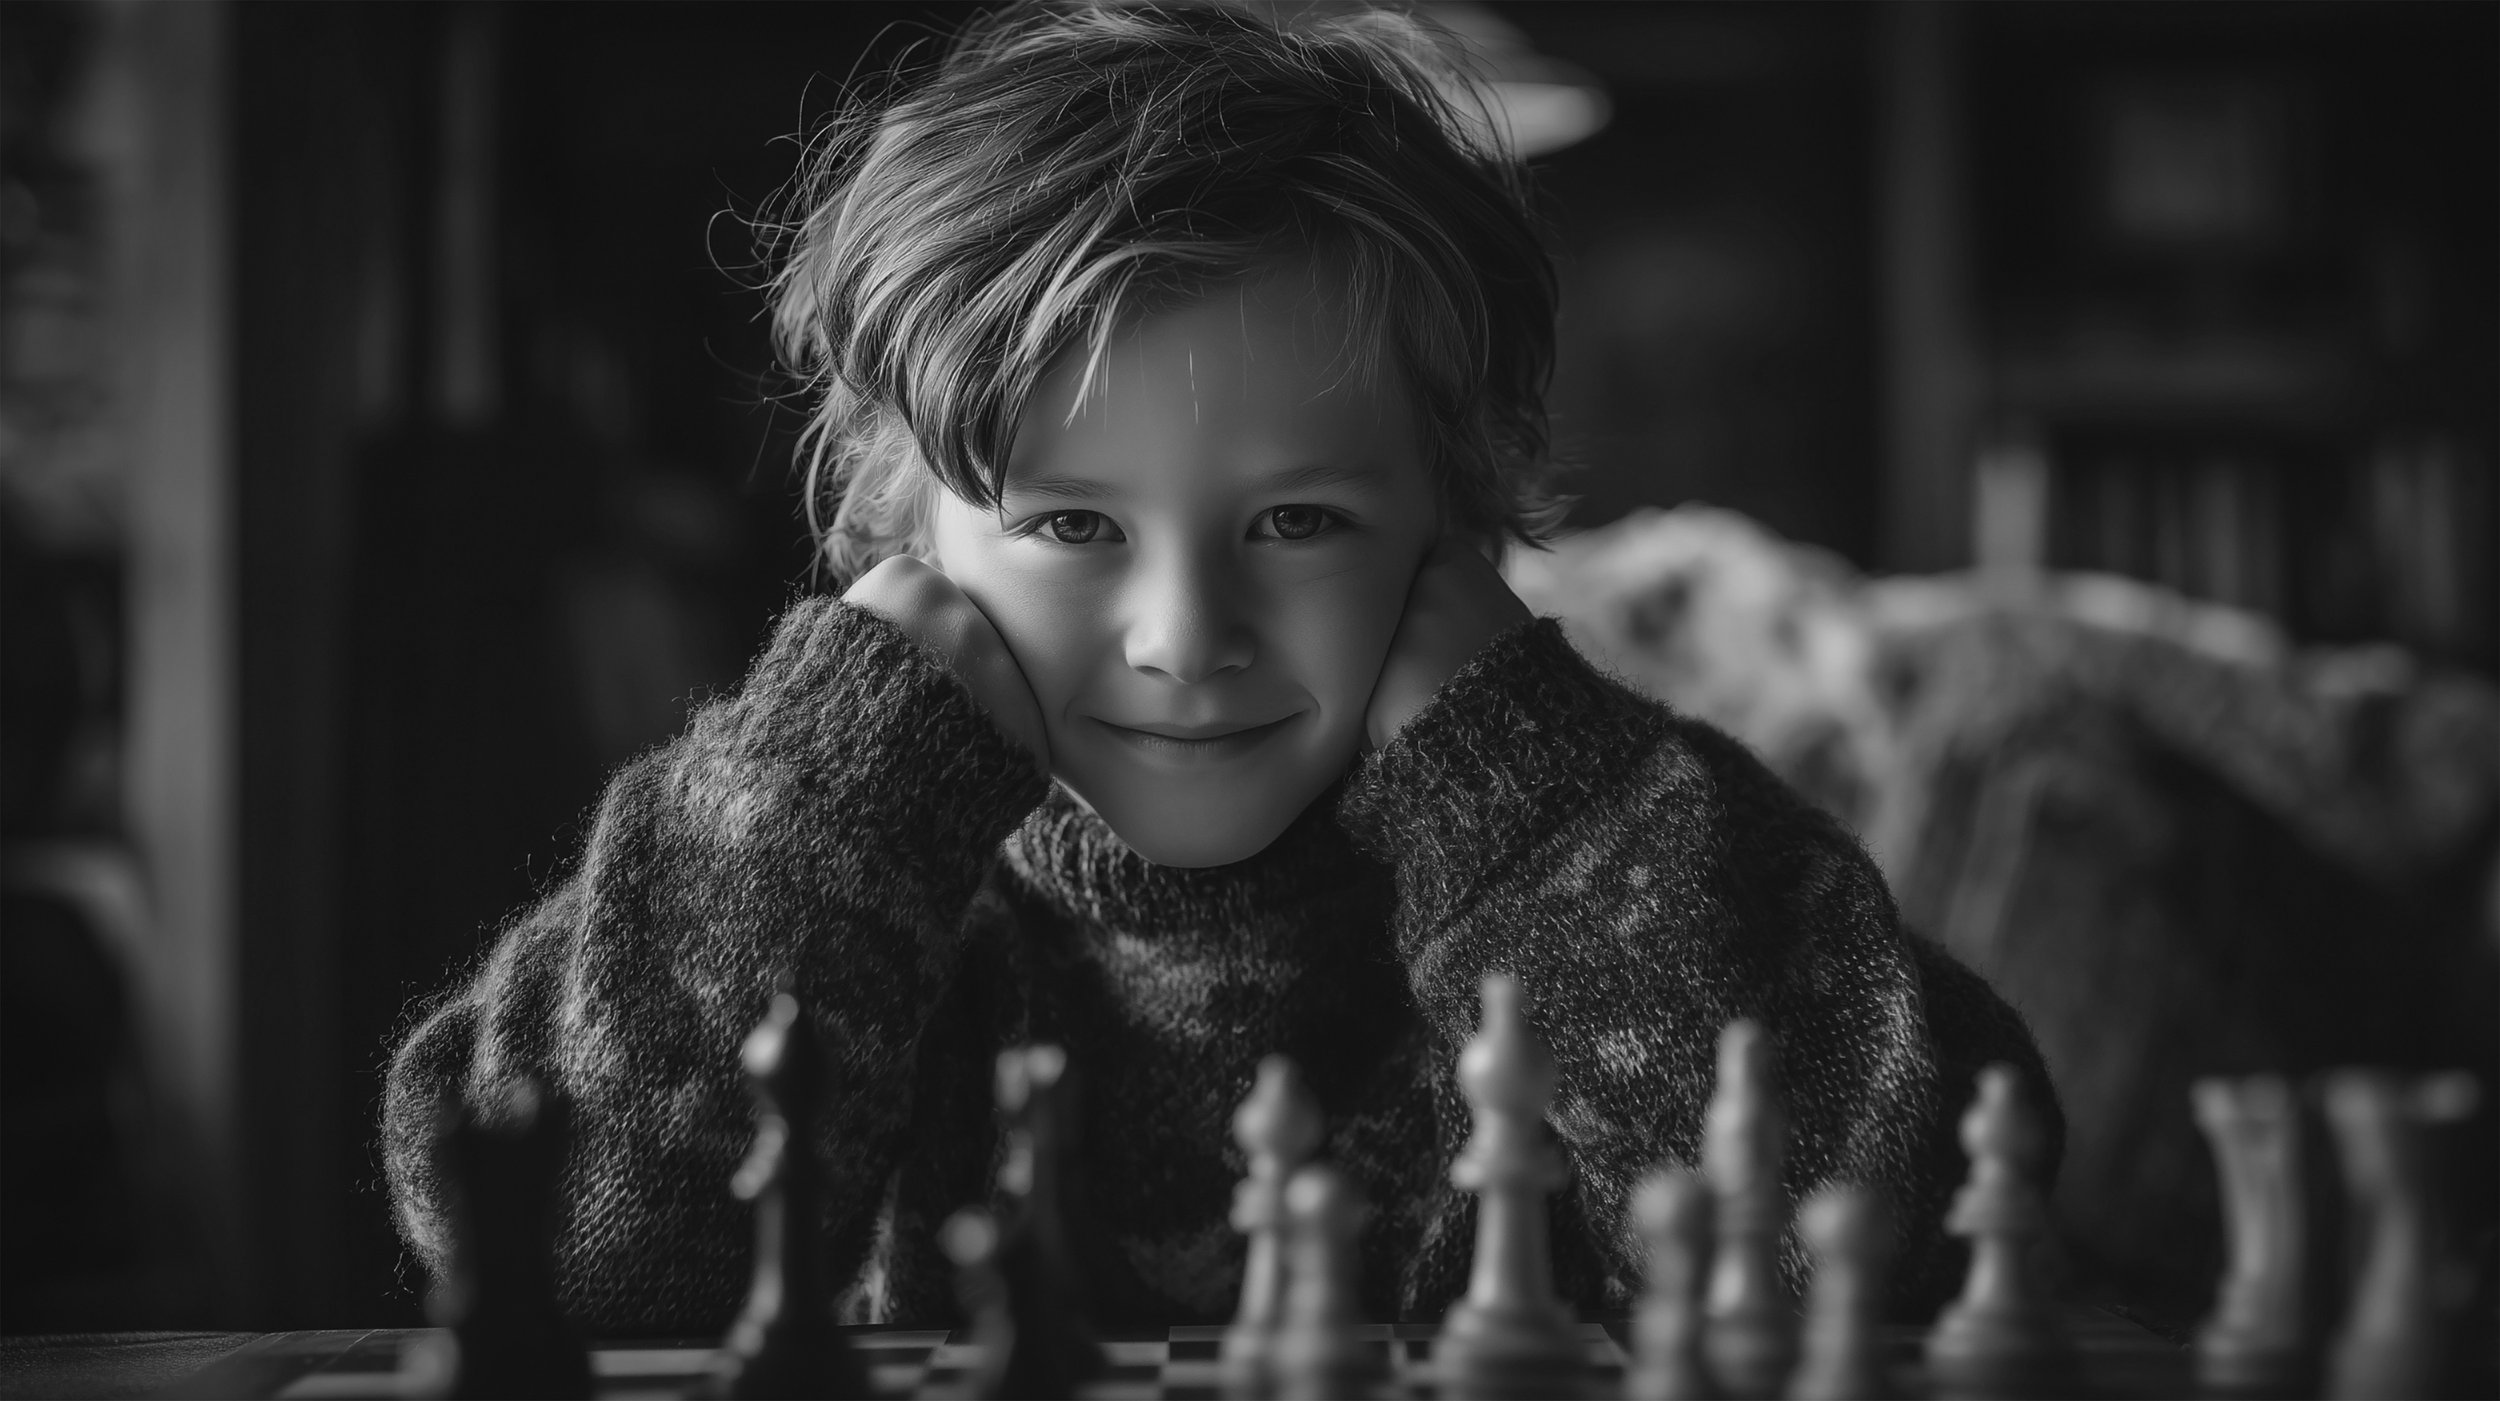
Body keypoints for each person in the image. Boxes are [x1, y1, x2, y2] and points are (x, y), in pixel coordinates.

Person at [381, 0, 2059, 1336]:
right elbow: (559, 1269)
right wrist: (818, 792)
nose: (1185, 636)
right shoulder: (830, 868)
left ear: (1454, 532)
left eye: (1302, 519)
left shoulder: (1595, 840)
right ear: (905, 556)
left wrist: (1544, 784)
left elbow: (1912, 1228)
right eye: (1072, 528)